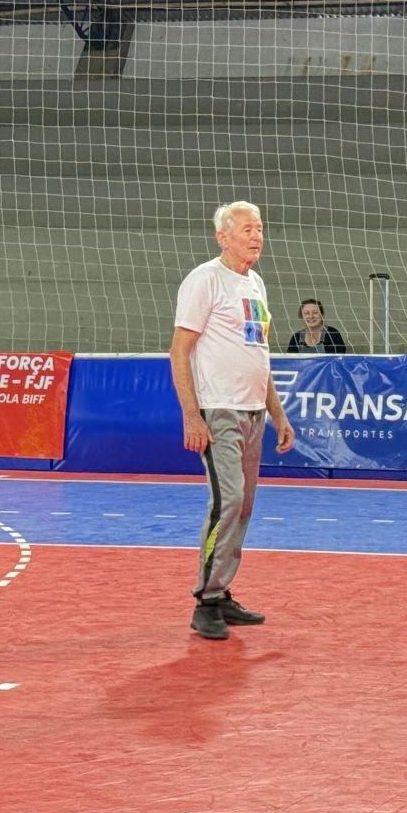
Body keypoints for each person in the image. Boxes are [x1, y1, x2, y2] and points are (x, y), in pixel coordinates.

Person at [172, 201, 296, 641]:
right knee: (228, 502)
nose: (257, 236)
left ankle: (221, 590)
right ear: (223, 237)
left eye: (260, 228)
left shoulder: (255, 283)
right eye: (247, 229)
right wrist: (192, 416)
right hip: (219, 409)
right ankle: (205, 602)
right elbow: (179, 350)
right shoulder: (205, 279)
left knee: (242, 506)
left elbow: (258, 356)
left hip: (254, 412)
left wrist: (278, 414)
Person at [284, 299, 349, 354]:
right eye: (306, 313)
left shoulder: (332, 334)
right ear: (301, 316)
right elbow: (291, 361)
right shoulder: (296, 337)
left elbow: (336, 360)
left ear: (321, 315)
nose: (311, 316)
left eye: (315, 312)